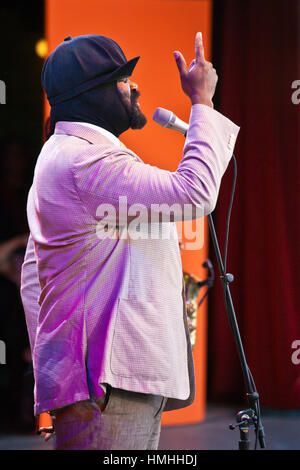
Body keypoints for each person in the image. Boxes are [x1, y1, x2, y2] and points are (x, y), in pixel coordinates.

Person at [20, 32, 240, 450]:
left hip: (101, 386)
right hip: (110, 387)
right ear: (93, 95)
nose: (135, 87)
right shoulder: (87, 160)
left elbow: (34, 276)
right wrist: (202, 103)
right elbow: (195, 193)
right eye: (122, 80)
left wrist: (59, 375)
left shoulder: (58, 156)